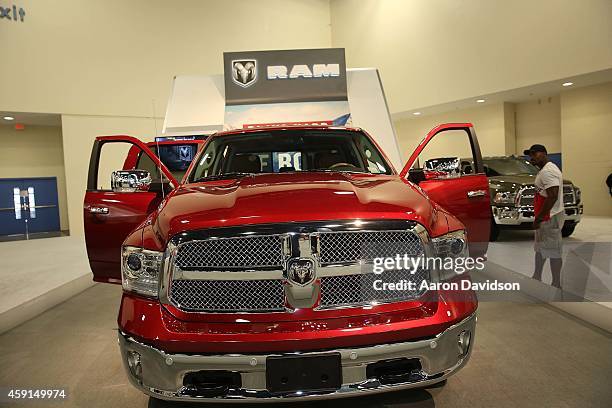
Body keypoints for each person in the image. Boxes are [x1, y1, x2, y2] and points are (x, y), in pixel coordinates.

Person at [524, 144, 564, 288]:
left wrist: (540, 218)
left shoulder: (548, 171)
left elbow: (552, 196)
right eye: (530, 155)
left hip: (549, 218)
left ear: (544, 154)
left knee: (553, 251)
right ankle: (537, 277)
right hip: (545, 217)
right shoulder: (544, 170)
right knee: (540, 249)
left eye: (535, 154)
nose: (532, 158)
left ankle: (556, 284)